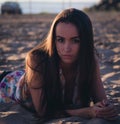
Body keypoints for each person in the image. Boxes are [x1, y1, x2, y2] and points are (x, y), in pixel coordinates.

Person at [0, 8, 118, 123]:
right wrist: (88, 112)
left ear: (85, 41)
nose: (66, 48)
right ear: (53, 40)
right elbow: (43, 111)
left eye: (75, 40)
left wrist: (105, 108)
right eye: (60, 40)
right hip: (7, 84)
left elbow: (102, 101)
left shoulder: (90, 60)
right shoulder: (37, 59)